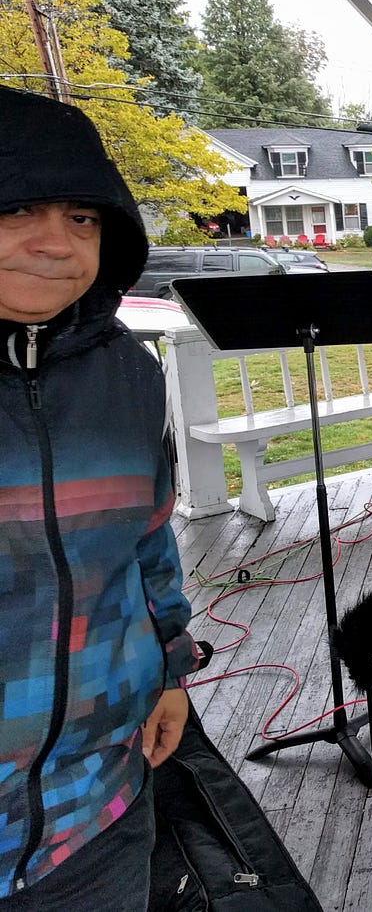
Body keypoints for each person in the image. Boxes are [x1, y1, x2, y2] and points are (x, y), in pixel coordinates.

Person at [0, 86, 200, 907]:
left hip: (101, 811)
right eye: (18, 210)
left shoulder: (128, 374)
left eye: (82, 218)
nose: (56, 243)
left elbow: (151, 546)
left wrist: (173, 672)